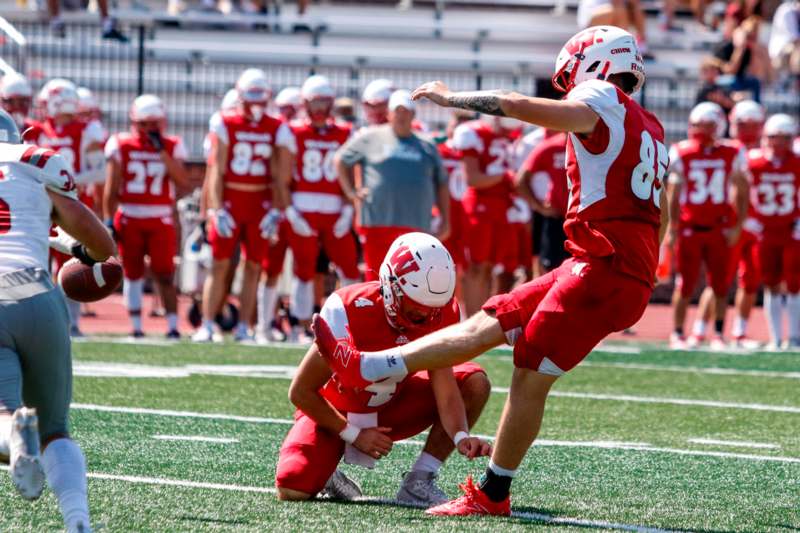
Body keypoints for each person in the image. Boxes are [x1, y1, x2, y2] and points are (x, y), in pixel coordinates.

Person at [313, 26, 669, 516]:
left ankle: (492, 494)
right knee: (491, 319)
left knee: (528, 375)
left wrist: (449, 97)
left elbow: (516, 104)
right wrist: (645, 264)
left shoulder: (601, 95)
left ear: (594, 64)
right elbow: (662, 209)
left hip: (604, 265)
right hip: (602, 262)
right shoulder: (648, 123)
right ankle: (369, 364)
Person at [275, 233, 491, 505]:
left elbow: (446, 390)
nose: (426, 318)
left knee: (474, 382)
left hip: (390, 405)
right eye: (416, 311)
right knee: (293, 485)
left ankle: (420, 479)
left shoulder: (443, 312)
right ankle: (326, 470)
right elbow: (301, 391)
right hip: (335, 410)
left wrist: (461, 436)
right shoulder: (347, 308)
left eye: (434, 310)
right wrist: (352, 433)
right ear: (391, 287)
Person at [0, 108, 116, 533]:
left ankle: (14, 437)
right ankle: (77, 522)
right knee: (56, 430)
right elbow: (102, 244)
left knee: (3, 414)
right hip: (39, 293)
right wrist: (87, 254)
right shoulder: (34, 163)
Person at [194, 68, 294, 342]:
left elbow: (281, 175)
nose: (256, 103)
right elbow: (216, 170)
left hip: (259, 204)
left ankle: (243, 327)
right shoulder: (225, 122)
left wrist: (276, 209)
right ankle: (208, 323)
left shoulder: (277, 127)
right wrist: (216, 209)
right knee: (219, 263)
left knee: (253, 266)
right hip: (231, 201)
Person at [335, 90, 450, 281]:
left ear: (413, 115)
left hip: (416, 223)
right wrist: (350, 191)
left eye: (406, 111)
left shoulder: (426, 144)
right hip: (377, 221)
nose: (401, 116)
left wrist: (446, 220)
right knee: (376, 277)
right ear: (389, 113)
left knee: (413, 279)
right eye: (397, 111)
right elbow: (341, 159)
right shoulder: (370, 137)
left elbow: (442, 183)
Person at [23, 78, 106, 337]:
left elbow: (100, 173)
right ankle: (40, 320)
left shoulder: (87, 129)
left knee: (75, 262)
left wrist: (61, 180)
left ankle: (72, 322)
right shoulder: (35, 130)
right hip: (43, 203)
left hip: (71, 203)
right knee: (38, 262)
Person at [103, 95, 188, 338]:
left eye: (154, 123)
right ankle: (136, 327)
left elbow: (182, 180)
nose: (151, 129)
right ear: (135, 122)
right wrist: (109, 221)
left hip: (160, 217)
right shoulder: (121, 144)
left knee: (165, 272)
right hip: (130, 215)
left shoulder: (171, 145)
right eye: (145, 124)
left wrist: (162, 153)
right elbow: (111, 188)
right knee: (132, 273)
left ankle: (173, 326)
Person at [666, 102, 748, 350]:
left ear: (719, 126)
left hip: (718, 227)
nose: (701, 130)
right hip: (691, 228)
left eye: (706, 125)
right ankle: (678, 333)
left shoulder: (732, 151)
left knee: (721, 285)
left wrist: (738, 225)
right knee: (685, 284)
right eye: (697, 125)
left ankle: (719, 334)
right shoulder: (681, 151)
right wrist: (672, 227)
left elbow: (742, 189)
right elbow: (673, 193)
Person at [283, 75, 360, 337]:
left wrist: (349, 209)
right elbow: (282, 174)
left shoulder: (344, 131)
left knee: (349, 266)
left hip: (335, 209)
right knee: (303, 269)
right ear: (304, 103)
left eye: (323, 103)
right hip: (303, 206)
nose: (319, 109)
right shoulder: (293, 130)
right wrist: (290, 210)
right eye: (314, 103)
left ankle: (353, 323)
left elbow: (350, 173)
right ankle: (299, 324)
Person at [694, 100, 765, 347]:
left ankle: (739, 332)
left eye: (754, 124)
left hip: (757, 224)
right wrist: (737, 221)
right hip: (733, 223)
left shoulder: (768, 151)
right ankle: (700, 330)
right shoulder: (728, 150)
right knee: (719, 281)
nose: (748, 129)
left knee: (750, 280)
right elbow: (736, 190)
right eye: (743, 124)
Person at [452, 114, 518, 315]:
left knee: (490, 268)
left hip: (501, 208)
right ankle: (472, 320)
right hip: (479, 208)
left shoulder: (506, 136)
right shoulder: (474, 133)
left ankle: (483, 319)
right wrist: (504, 177)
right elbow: (472, 178)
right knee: (476, 268)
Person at [746, 114, 800, 349]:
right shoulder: (753, 161)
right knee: (770, 283)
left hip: (791, 231)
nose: (777, 143)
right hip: (765, 232)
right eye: (773, 138)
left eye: (783, 138)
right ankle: (776, 338)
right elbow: (736, 190)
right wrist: (748, 219)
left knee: (794, 283)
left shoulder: (797, 162)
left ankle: (795, 336)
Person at [516, 130, 570, 273]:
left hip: (584, 221)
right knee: (550, 271)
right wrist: (539, 207)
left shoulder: (590, 146)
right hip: (557, 220)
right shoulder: (550, 146)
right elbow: (520, 181)